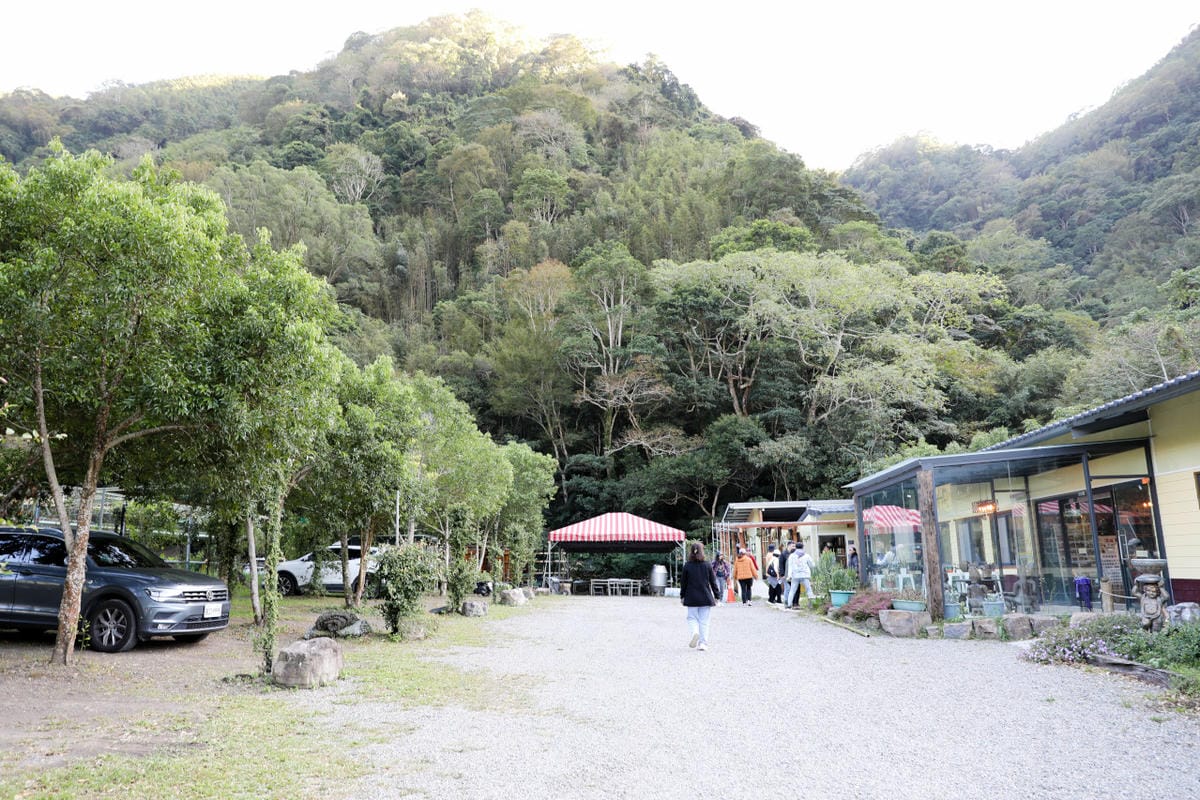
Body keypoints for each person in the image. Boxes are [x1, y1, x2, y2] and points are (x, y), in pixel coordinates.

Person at [679, 541, 720, 650]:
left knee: (692, 618)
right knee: (704, 621)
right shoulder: (707, 565)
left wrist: (682, 596)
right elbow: (713, 582)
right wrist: (717, 596)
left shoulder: (687, 566)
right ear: (702, 551)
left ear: (691, 552)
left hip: (691, 597)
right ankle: (703, 643)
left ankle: (694, 632)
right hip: (705, 597)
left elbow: (683, 583)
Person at [786, 543, 815, 607]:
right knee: (808, 589)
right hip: (805, 575)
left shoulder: (792, 556)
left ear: (795, 547)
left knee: (792, 590)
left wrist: (789, 576)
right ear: (803, 547)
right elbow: (812, 565)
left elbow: (790, 567)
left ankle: (789, 604)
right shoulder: (807, 555)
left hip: (795, 575)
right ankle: (811, 604)